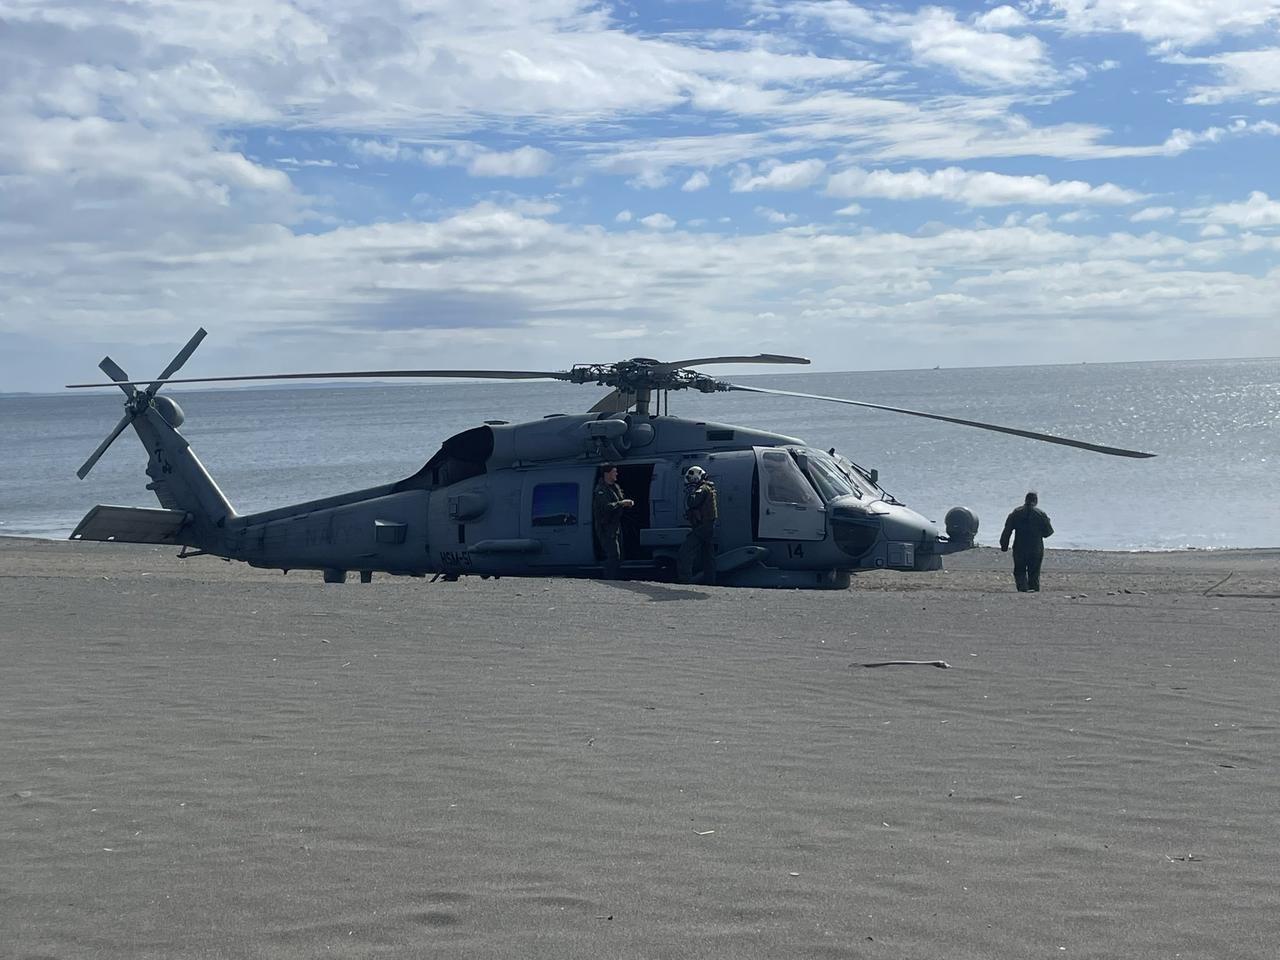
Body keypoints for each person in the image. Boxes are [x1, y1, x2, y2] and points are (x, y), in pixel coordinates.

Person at [999, 491, 1054, 592]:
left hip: (1020, 547)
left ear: (1025, 500)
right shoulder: (1040, 514)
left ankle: (1022, 589)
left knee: (1019, 570)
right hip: (1036, 548)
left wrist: (1004, 545)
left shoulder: (1016, 513)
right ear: (1036, 501)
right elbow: (1048, 533)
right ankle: (1033, 589)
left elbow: (1007, 531)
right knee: (1034, 571)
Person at [677, 465, 718, 585]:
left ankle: (685, 580)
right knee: (708, 556)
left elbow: (692, 502)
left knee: (685, 552)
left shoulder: (703, 489)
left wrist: (691, 491)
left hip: (702, 527)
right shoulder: (708, 488)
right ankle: (711, 581)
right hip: (708, 527)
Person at [592, 463, 633, 579]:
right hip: (606, 527)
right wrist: (622, 503)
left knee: (619, 555)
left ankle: (616, 578)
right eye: (614, 471)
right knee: (613, 555)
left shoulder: (614, 488)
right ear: (607, 474)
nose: (616, 474)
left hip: (615, 526)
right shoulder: (600, 490)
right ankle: (609, 579)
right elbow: (606, 507)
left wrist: (625, 503)